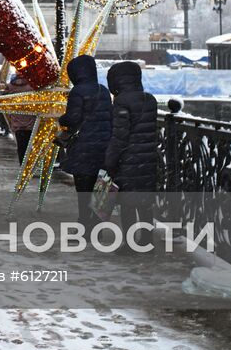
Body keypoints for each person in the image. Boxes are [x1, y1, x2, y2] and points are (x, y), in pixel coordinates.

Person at [103, 60, 158, 248]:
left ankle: (130, 243)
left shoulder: (121, 102)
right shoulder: (150, 100)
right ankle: (147, 240)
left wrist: (110, 161)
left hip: (128, 160)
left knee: (127, 203)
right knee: (144, 202)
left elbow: (119, 136)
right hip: (148, 159)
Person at [58, 55, 113, 229]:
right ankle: (96, 226)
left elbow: (73, 118)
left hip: (83, 147)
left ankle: (84, 226)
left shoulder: (78, 91)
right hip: (102, 147)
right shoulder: (103, 90)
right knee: (98, 190)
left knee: (83, 189)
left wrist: (61, 119)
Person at [4, 73, 34, 163]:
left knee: (21, 147)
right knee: (30, 146)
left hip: (16, 122)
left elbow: (3, 101)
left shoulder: (10, 87)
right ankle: (28, 165)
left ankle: (22, 165)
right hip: (30, 122)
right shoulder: (31, 86)